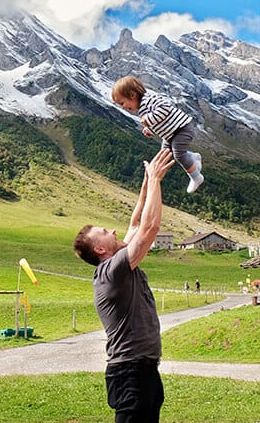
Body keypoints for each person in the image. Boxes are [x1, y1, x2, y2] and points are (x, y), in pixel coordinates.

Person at [73, 148, 175, 422]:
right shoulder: (112, 270)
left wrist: (148, 182)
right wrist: (154, 181)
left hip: (144, 370)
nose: (114, 231)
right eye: (106, 233)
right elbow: (149, 228)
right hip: (130, 373)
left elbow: (137, 220)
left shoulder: (116, 259)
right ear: (100, 249)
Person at [112, 75, 204, 193]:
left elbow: (165, 108)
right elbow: (160, 120)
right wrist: (149, 129)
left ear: (132, 95)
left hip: (181, 128)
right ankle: (193, 157)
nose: (123, 107)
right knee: (164, 153)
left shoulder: (149, 99)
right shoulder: (142, 107)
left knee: (179, 154)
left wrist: (148, 120)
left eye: (122, 103)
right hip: (170, 133)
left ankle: (196, 177)